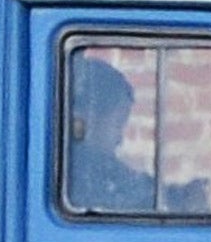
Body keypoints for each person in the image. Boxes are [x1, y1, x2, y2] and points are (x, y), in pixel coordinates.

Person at [66, 55, 155, 213]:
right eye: (117, 123)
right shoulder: (85, 170)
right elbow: (130, 194)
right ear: (88, 118)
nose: (120, 139)